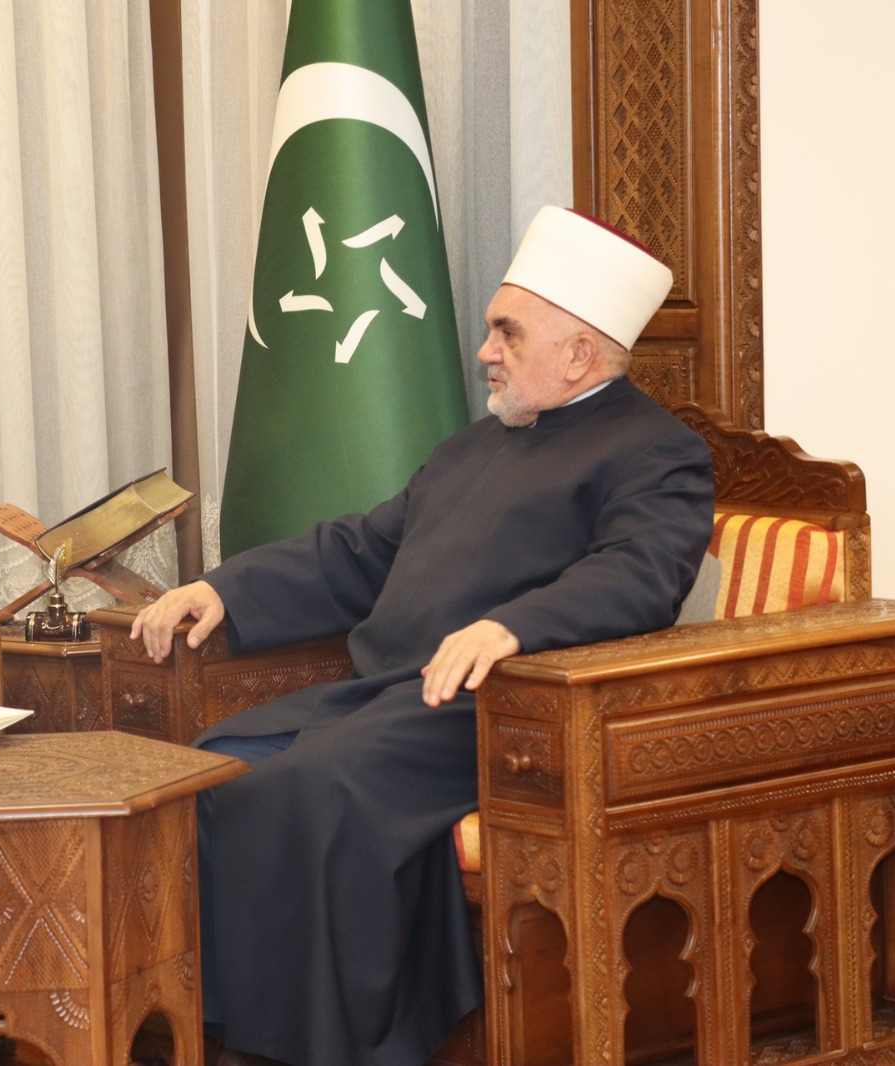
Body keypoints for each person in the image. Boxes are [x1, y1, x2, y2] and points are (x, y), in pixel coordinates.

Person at [131, 207, 716, 1066]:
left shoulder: (658, 454)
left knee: (313, 790)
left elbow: (641, 574)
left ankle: (313, 1047)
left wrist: (512, 626)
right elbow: (363, 549)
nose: (484, 353)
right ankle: (212, 1025)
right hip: (385, 695)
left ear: (579, 354)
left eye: (506, 334)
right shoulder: (473, 447)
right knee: (213, 768)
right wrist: (223, 587)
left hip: (501, 710)